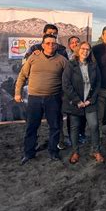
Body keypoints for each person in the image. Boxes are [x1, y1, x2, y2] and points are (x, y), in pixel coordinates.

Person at [15, 34, 69, 165]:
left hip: (53, 98)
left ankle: (53, 152)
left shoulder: (62, 60)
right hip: (34, 98)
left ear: (56, 45)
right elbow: (22, 75)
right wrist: (18, 93)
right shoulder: (33, 57)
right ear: (43, 45)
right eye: (48, 43)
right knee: (31, 127)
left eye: (53, 43)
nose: (51, 45)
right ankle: (29, 153)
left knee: (55, 127)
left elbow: (68, 80)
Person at [62, 41, 104, 164]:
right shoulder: (70, 65)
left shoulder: (94, 65)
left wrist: (91, 100)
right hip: (75, 103)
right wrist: (77, 101)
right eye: (83, 49)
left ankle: (95, 151)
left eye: (88, 49)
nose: (85, 51)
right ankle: (75, 151)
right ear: (78, 50)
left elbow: (98, 84)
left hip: (90, 103)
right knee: (74, 127)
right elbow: (66, 84)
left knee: (94, 126)